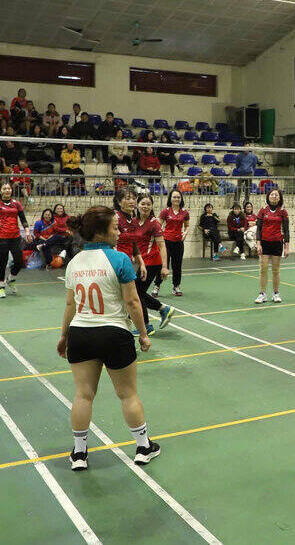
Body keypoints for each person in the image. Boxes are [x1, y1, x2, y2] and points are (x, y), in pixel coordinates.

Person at [57, 206, 159, 471]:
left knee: (83, 395)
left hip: (80, 333)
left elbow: (70, 305)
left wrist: (64, 336)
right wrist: (144, 334)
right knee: (128, 394)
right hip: (114, 333)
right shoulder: (120, 259)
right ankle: (143, 447)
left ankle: (79, 454)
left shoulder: (74, 262)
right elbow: (133, 301)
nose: (119, 231)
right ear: (101, 233)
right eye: (115, 228)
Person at [0, 182, 32, 298]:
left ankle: (10, 279)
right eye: (4, 189)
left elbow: (23, 219)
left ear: (11, 190)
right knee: (3, 263)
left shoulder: (17, 204)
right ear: (0, 191)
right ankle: (1, 288)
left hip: (15, 237)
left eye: (9, 188)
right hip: (2, 237)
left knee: (19, 262)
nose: (7, 190)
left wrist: (27, 232)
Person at [134, 193, 174, 331]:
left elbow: (162, 246)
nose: (145, 207)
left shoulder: (154, 223)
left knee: (137, 293)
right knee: (138, 292)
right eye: (143, 203)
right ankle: (162, 308)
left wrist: (164, 267)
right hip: (143, 262)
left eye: (148, 204)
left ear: (152, 207)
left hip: (152, 262)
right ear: (137, 205)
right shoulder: (134, 222)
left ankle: (146, 326)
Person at [255, 187, 290, 304]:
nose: (274, 196)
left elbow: (286, 230)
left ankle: (276, 293)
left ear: (279, 198)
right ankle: (262, 294)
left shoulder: (283, 212)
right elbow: (258, 229)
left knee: (276, 270)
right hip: (265, 242)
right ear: (268, 197)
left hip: (277, 242)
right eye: (272, 195)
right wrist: (258, 243)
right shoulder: (262, 211)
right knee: (263, 268)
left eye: (276, 195)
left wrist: (287, 247)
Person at [157, 189, 190, 297]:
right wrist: (160, 237)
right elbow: (158, 226)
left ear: (181, 199)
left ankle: (176, 286)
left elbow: (187, 226)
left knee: (177, 265)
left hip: (178, 243)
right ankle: (157, 286)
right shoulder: (165, 211)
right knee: (163, 265)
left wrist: (185, 233)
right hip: (166, 242)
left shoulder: (184, 212)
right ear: (170, 199)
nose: (176, 199)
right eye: (174, 197)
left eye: (178, 197)